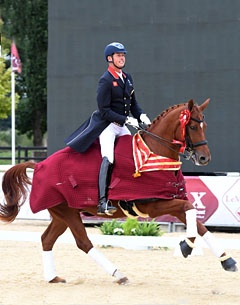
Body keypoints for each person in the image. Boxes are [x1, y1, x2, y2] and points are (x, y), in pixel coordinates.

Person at [65, 42, 151, 216]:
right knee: (109, 158)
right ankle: (102, 202)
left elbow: (133, 104)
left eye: (123, 55)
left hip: (123, 126)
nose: (122, 58)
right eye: (119, 55)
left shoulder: (127, 78)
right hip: (108, 126)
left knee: (133, 156)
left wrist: (141, 116)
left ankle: (128, 196)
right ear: (109, 58)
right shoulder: (105, 80)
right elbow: (104, 111)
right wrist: (126, 119)